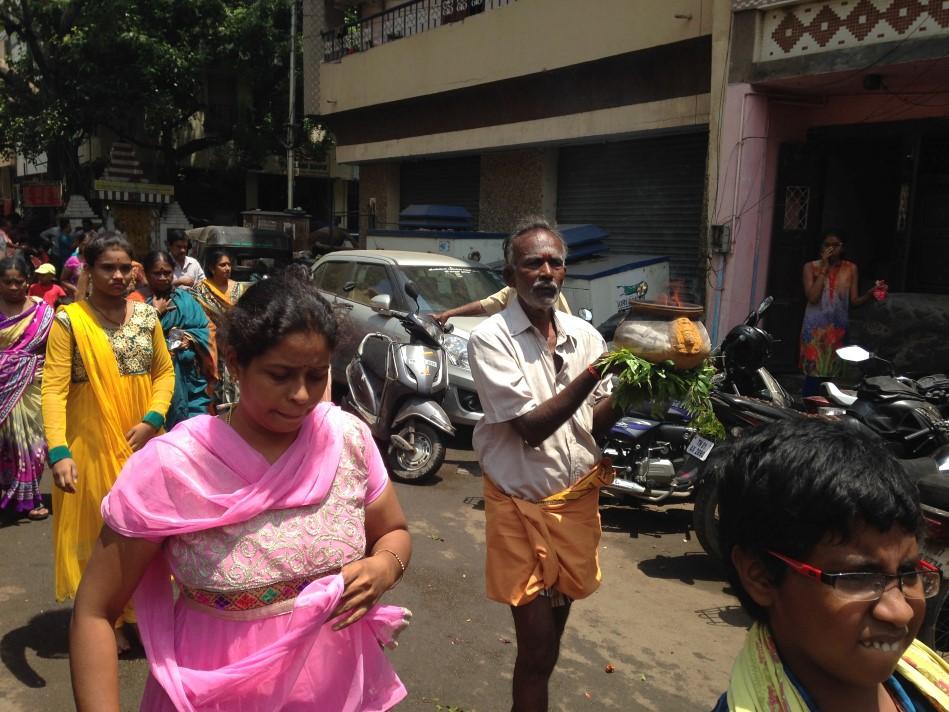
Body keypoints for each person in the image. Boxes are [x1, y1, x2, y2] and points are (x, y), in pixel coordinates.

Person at [70, 276, 412, 711]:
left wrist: (385, 566)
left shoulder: (348, 439)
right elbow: (95, 612)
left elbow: (394, 531)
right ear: (235, 363)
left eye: (316, 374)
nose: (302, 394)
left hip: (339, 689)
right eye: (280, 375)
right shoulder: (174, 465)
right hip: (213, 697)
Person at [466, 217, 620, 711]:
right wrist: (600, 370)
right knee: (535, 649)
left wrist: (638, 388)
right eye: (533, 262)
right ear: (510, 274)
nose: (546, 272)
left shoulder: (585, 336)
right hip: (518, 509)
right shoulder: (491, 339)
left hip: (573, 508)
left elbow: (592, 422)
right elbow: (530, 427)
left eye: (555, 262)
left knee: (548, 647)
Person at [712, 418, 949, 710]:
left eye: (909, 572)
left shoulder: (926, 689)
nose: (900, 611)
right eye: (859, 577)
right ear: (760, 576)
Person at [41, 233, 175, 650]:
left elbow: (164, 373)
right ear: (89, 270)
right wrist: (58, 451)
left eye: (124, 267)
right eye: (107, 268)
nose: (117, 275)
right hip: (92, 442)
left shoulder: (146, 317)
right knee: (101, 532)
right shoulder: (69, 321)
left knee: (148, 533)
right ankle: (104, 619)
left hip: (143, 442)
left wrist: (153, 418)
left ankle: (138, 611)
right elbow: (53, 389)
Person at [0, 257, 54, 520]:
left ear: (28, 282)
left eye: (18, 282)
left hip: (32, 383)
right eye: (6, 281)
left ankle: (29, 497)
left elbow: (54, 348)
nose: (12, 287)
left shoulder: (42, 314)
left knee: (33, 444)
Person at [141, 250, 214, 429]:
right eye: (157, 273)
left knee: (196, 430)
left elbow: (205, 330)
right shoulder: (138, 302)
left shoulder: (186, 300)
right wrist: (155, 312)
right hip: (156, 380)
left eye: (167, 272)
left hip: (191, 381)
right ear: (146, 274)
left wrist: (190, 338)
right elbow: (134, 339)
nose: (163, 277)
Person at [800, 231, 875, 396]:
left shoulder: (850, 268)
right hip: (814, 329)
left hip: (838, 329)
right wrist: (824, 269)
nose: (831, 249)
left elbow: (853, 301)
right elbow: (812, 297)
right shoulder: (810, 267)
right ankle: (808, 411)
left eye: (835, 245)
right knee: (813, 375)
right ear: (821, 247)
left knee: (833, 376)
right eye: (827, 245)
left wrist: (870, 294)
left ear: (843, 247)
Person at [192, 247, 245, 407]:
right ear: (211, 268)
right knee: (216, 394)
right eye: (222, 265)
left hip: (236, 347)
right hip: (211, 348)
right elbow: (198, 320)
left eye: (229, 264)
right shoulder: (200, 291)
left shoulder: (239, 288)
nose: (227, 268)